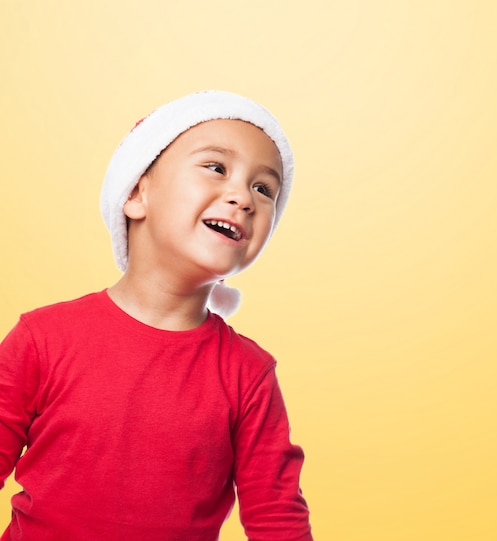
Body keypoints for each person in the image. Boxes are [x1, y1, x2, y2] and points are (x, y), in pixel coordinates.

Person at [0, 91, 313, 541]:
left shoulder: (249, 373)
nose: (243, 197)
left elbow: (276, 519)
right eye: (216, 168)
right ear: (135, 193)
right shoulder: (42, 338)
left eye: (264, 189)